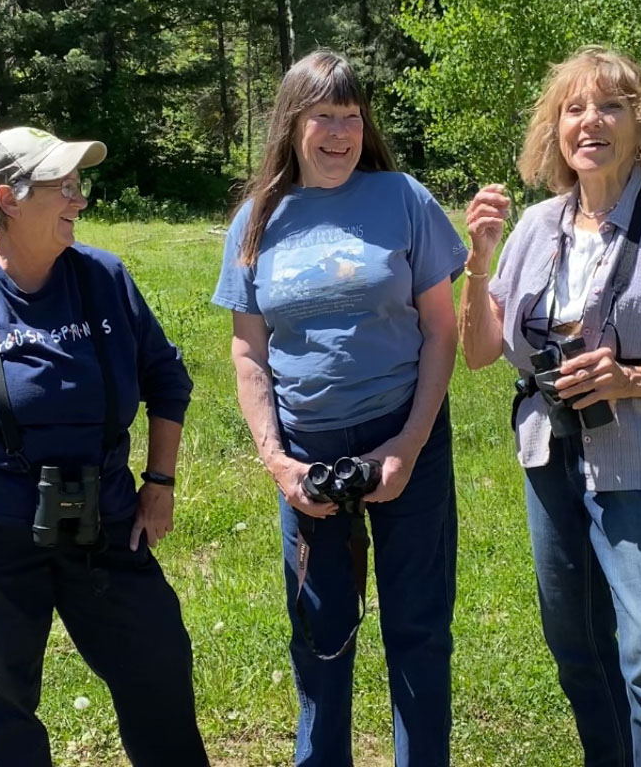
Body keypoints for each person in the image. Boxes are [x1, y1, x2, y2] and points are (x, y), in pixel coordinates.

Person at [459, 46, 641, 766]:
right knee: (576, 647)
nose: (590, 121)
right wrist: (479, 261)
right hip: (550, 455)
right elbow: (480, 351)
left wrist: (635, 380)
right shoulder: (536, 227)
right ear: (554, 129)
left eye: (609, 106)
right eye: (573, 108)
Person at [0, 127, 209, 767]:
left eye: (80, 185)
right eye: (64, 187)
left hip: (105, 520)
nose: (79, 200)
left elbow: (167, 379)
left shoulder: (104, 277)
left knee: (157, 667)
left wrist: (158, 484)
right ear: (10, 198)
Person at [212, 50, 467, 766]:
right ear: (293, 123)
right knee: (320, 634)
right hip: (308, 452)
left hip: (405, 434)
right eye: (323, 116)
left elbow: (442, 329)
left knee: (419, 629)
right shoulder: (258, 220)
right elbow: (246, 354)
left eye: (351, 117)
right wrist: (278, 463)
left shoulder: (405, 199)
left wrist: (408, 447)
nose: (339, 133)